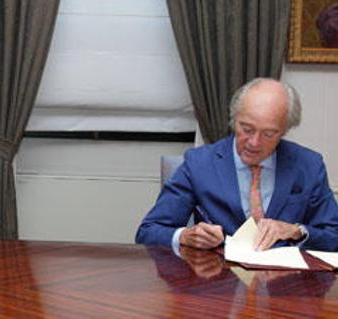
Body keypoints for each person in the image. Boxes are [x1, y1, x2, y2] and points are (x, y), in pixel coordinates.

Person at [136, 78, 338, 251]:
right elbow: (148, 232)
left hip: (286, 287)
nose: (254, 142)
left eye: (268, 134)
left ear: (284, 130)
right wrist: (185, 236)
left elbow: (333, 235)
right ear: (234, 120)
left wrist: (296, 231)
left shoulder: (308, 165)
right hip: (217, 285)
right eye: (247, 128)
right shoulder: (199, 164)